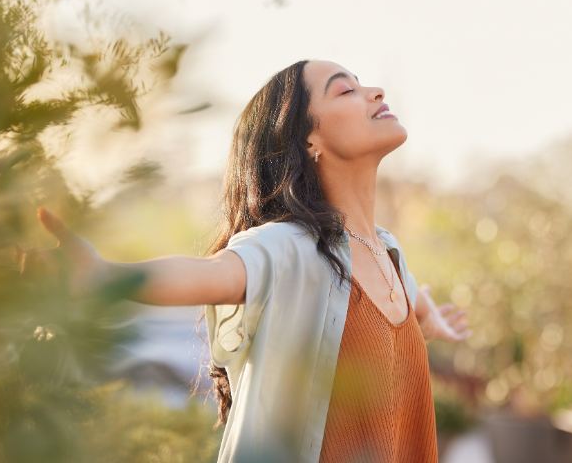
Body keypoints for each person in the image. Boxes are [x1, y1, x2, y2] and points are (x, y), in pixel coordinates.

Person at [36, 60, 471, 463]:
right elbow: (212, 273)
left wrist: (427, 319)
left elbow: (407, 301)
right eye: (346, 92)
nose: (375, 92)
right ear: (309, 141)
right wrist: (105, 277)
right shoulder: (290, 248)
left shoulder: (389, 255)